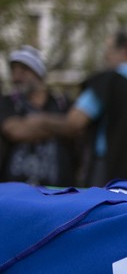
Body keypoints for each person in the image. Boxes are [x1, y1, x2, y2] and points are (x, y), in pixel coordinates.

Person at [4, 31, 127, 186]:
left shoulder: (107, 81)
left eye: (109, 50)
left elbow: (73, 123)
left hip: (113, 175)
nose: (105, 56)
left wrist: (40, 121)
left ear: (124, 49)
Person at [0, 45, 78, 186]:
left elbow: (74, 128)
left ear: (38, 74)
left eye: (23, 71)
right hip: (13, 193)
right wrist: (58, 127)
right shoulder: (7, 103)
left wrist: (37, 122)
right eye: (13, 71)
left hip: (57, 193)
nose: (16, 77)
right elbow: (15, 131)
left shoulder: (62, 103)